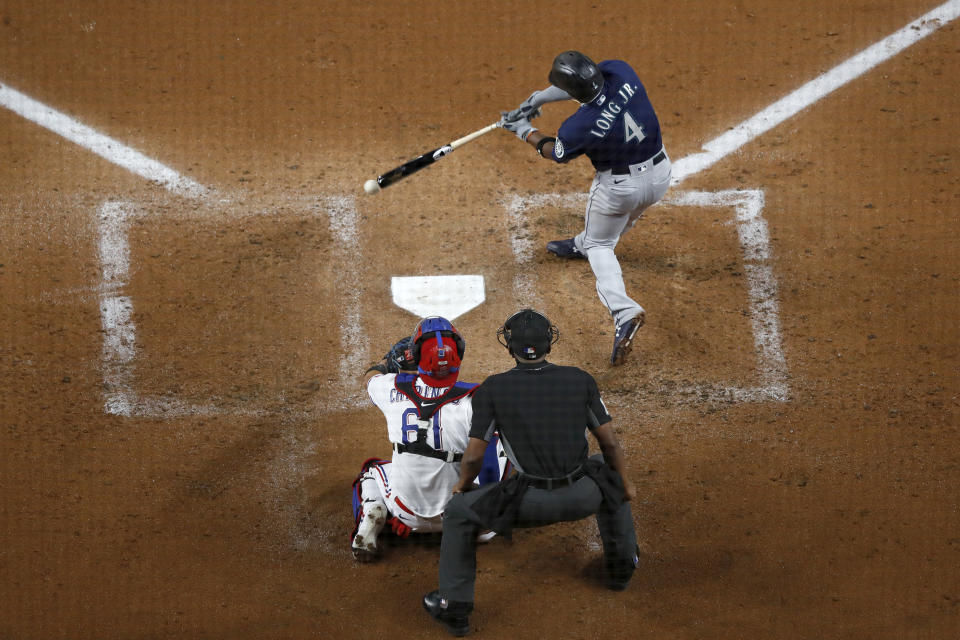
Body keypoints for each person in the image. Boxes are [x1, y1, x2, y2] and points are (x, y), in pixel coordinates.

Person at [421, 309, 639, 637]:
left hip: (527, 504)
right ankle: (621, 571)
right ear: (548, 343)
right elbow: (609, 443)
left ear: (510, 347)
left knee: (458, 512)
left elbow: (473, 458)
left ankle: (455, 607)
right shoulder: (580, 379)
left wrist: (462, 487)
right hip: (583, 495)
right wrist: (624, 481)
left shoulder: (493, 389)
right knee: (607, 474)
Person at [500, 51, 673, 365]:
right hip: (660, 175)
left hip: (621, 188)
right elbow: (583, 86)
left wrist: (522, 129)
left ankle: (624, 312)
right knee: (625, 216)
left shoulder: (578, 126)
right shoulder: (622, 71)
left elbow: (555, 152)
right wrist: (536, 100)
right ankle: (580, 245)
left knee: (600, 243)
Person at [351, 316, 507, 562]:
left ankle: (371, 516)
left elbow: (370, 378)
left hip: (405, 513)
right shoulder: (477, 400)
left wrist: (387, 361)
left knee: (372, 471)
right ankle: (487, 519)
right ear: (460, 354)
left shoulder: (392, 388)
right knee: (497, 446)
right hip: (460, 516)